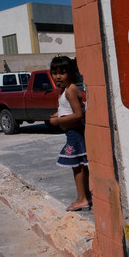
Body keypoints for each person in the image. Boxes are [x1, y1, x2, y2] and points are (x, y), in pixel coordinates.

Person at [49, 56, 92, 211]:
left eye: (62, 72)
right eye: (54, 73)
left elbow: (78, 114)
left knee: (77, 167)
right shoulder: (65, 90)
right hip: (72, 134)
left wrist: (58, 121)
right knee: (80, 166)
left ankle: (81, 199)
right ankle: (85, 196)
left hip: (75, 134)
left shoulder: (71, 90)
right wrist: (57, 115)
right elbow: (66, 111)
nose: (58, 76)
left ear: (71, 74)